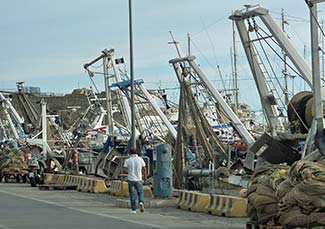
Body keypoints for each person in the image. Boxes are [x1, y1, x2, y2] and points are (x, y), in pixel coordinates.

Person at [123, 149, 147, 214]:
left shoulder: (127, 160)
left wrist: (129, 172)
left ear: (130, 153)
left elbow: (124, 169)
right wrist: (145, 176)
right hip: (139, 179)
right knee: (140, 192)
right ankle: (141, 202)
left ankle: (133, 209)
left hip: (131, 179)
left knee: (132, 194)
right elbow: (144, 168)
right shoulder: (140, 159)